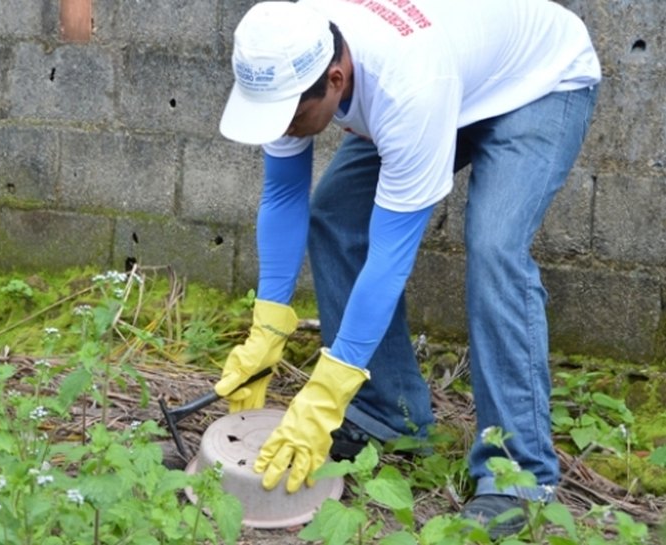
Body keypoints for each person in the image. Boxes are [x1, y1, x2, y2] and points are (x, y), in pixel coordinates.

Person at [213, 0, 600, 537]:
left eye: (295, 117)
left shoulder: (407, 88)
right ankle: (387, 417)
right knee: (335, 214)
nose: (285, 128)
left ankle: (518, 475)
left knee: (494, 249)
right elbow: (284, 195)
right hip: (454, 76)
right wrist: (267, 326)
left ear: (335, 77)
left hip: (538, 81)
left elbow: (390, 259)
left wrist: (325, 393)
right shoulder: (289, 53)